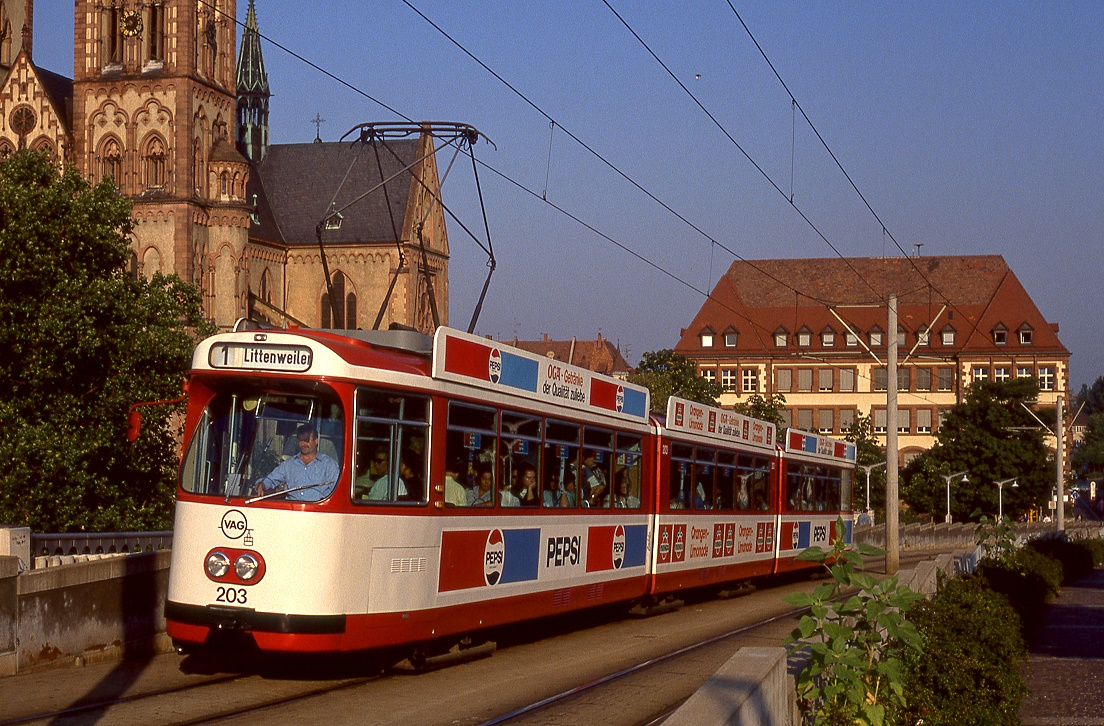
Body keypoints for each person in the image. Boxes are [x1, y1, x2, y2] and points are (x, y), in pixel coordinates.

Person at [256, 423, 340, 502]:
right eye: (300, 440)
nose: (303, 444)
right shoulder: (289, 464)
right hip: (292, 511)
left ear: (316, 441)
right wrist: (262, 485)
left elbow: (338, 492)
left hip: (318, 512)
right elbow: (271, 479)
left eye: (306, 440)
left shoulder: (329, 465)